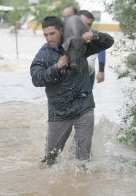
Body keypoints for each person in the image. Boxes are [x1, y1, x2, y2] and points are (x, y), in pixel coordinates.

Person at [30, 16, 114, 165]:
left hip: (84, 107)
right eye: (46, 34)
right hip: (60, 112)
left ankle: (82, 186)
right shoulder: (45, 53)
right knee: (50, 159)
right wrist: (57, 66)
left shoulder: (78, 42)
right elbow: (36, 79)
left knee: (83, 160)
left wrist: (95, 36)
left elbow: (109, 42)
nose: (49, 38)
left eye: (52, 34)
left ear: (61, 30)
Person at [62, 6, 107, 86]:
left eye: (89, 24)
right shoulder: (65, 34)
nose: (86, 27)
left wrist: (101, 71)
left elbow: (102, 48)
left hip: (89, 73)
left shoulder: (93, 34)